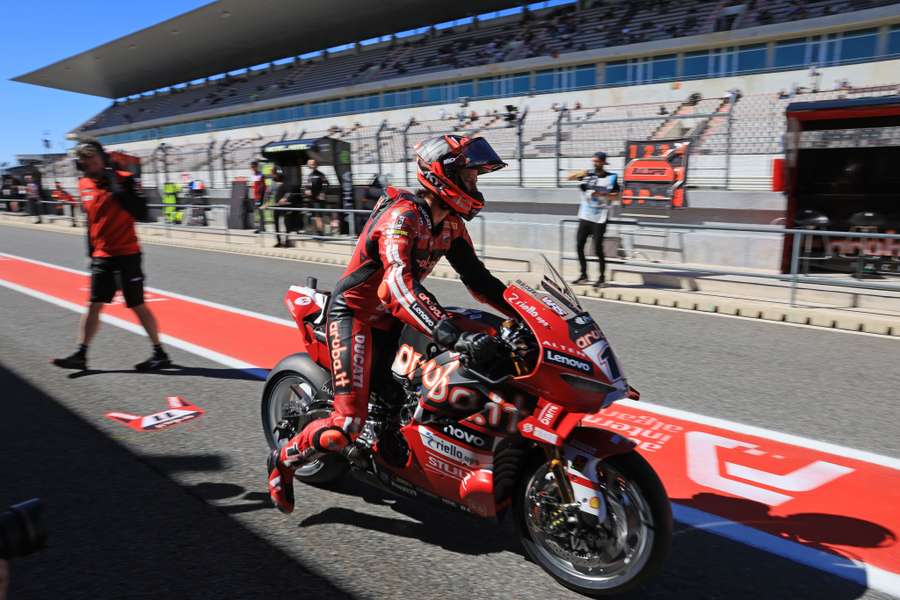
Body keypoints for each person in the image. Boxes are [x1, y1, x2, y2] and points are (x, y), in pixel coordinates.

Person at [268, 135, 515, 514]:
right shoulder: (402, 217)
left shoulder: (450, 225)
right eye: (470, 176)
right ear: (444, 175)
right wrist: (449, 333)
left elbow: (480, 282)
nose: (475, 185)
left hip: (396, 317)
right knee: (348, 422)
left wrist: (525, 315)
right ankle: (283, 459)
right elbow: (398, 285)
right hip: (356, 315)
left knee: (430, 384)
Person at [52, 140, 171, 372]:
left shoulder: (125, 179)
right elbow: (91, 221)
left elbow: (142, 213)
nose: (90, 163)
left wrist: (118, 190)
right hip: (101, 256)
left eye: (93, 158)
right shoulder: (83, 183)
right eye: (85, 160)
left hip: (128, 253)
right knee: (94, 304)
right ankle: (81, 354)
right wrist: (91, 252)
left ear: (103, 158)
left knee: (137, 304)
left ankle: (160, 353)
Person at [567, 151, 620, 287]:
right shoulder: (588, 175)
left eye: (597, 161)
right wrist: (582, 173)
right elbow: (569, 177)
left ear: (603, 162)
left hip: (600, 218)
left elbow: (617, 197)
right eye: (593, 161)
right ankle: (583, 275)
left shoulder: (611, 178)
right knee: (579, 246)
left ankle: (601, 278)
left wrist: (602, 194)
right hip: (585, 216)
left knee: (597, 249)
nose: (595, 164)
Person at [302, 159, 328, 235]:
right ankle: (316, 232)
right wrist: (306, 191)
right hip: (311, 199)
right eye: (309, 164)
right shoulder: (309, 175)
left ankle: (321, 233)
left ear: (316, 165)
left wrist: (322, 193)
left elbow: (326, 185)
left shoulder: (320, 174)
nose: (311, 165)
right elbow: (306, 186)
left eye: (313, 164)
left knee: (319, 216)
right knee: (313, 216)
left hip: (319, 199)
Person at [250, 161, 267, 233]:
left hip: (259, 197)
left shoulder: (260, 175)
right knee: (257, 212)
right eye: (252, 167)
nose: (253, 168)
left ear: (256, 166)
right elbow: (254, 186)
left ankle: (262, 228)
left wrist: (260, 198)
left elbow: (263, 186)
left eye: (254, 167)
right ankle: (260, 227)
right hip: (255, 196)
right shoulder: (253, 175)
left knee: (260, 212)